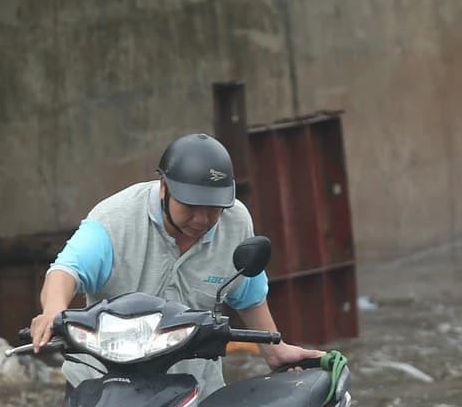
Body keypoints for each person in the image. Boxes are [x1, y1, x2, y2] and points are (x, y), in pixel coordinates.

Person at [30, 133, 322, 390]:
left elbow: (249, 296)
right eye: (191, 206)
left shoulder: (236, 222)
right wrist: (54, 312)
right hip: (103, 386)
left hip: (193, 391)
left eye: (213, 209)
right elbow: (65, 270)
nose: (202, 219)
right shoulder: (114, 220)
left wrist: (274, 350)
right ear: (163, 187)